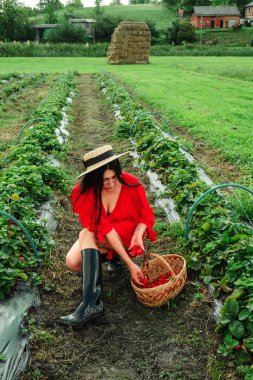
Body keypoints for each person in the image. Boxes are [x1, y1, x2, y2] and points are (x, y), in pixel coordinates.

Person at [59, 144, 156, 327]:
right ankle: (114, 260)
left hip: (128, 235)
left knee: (86, 234)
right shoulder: (86, 193)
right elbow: (105, 229)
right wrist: (130, 264)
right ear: (94, 179)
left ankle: (91, 304)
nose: (111, 183)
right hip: (107, 235)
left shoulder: (130, 183)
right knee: (72, 262)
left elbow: (146, 215)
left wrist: (138, 233)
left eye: (114, 177)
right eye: (105, 180)